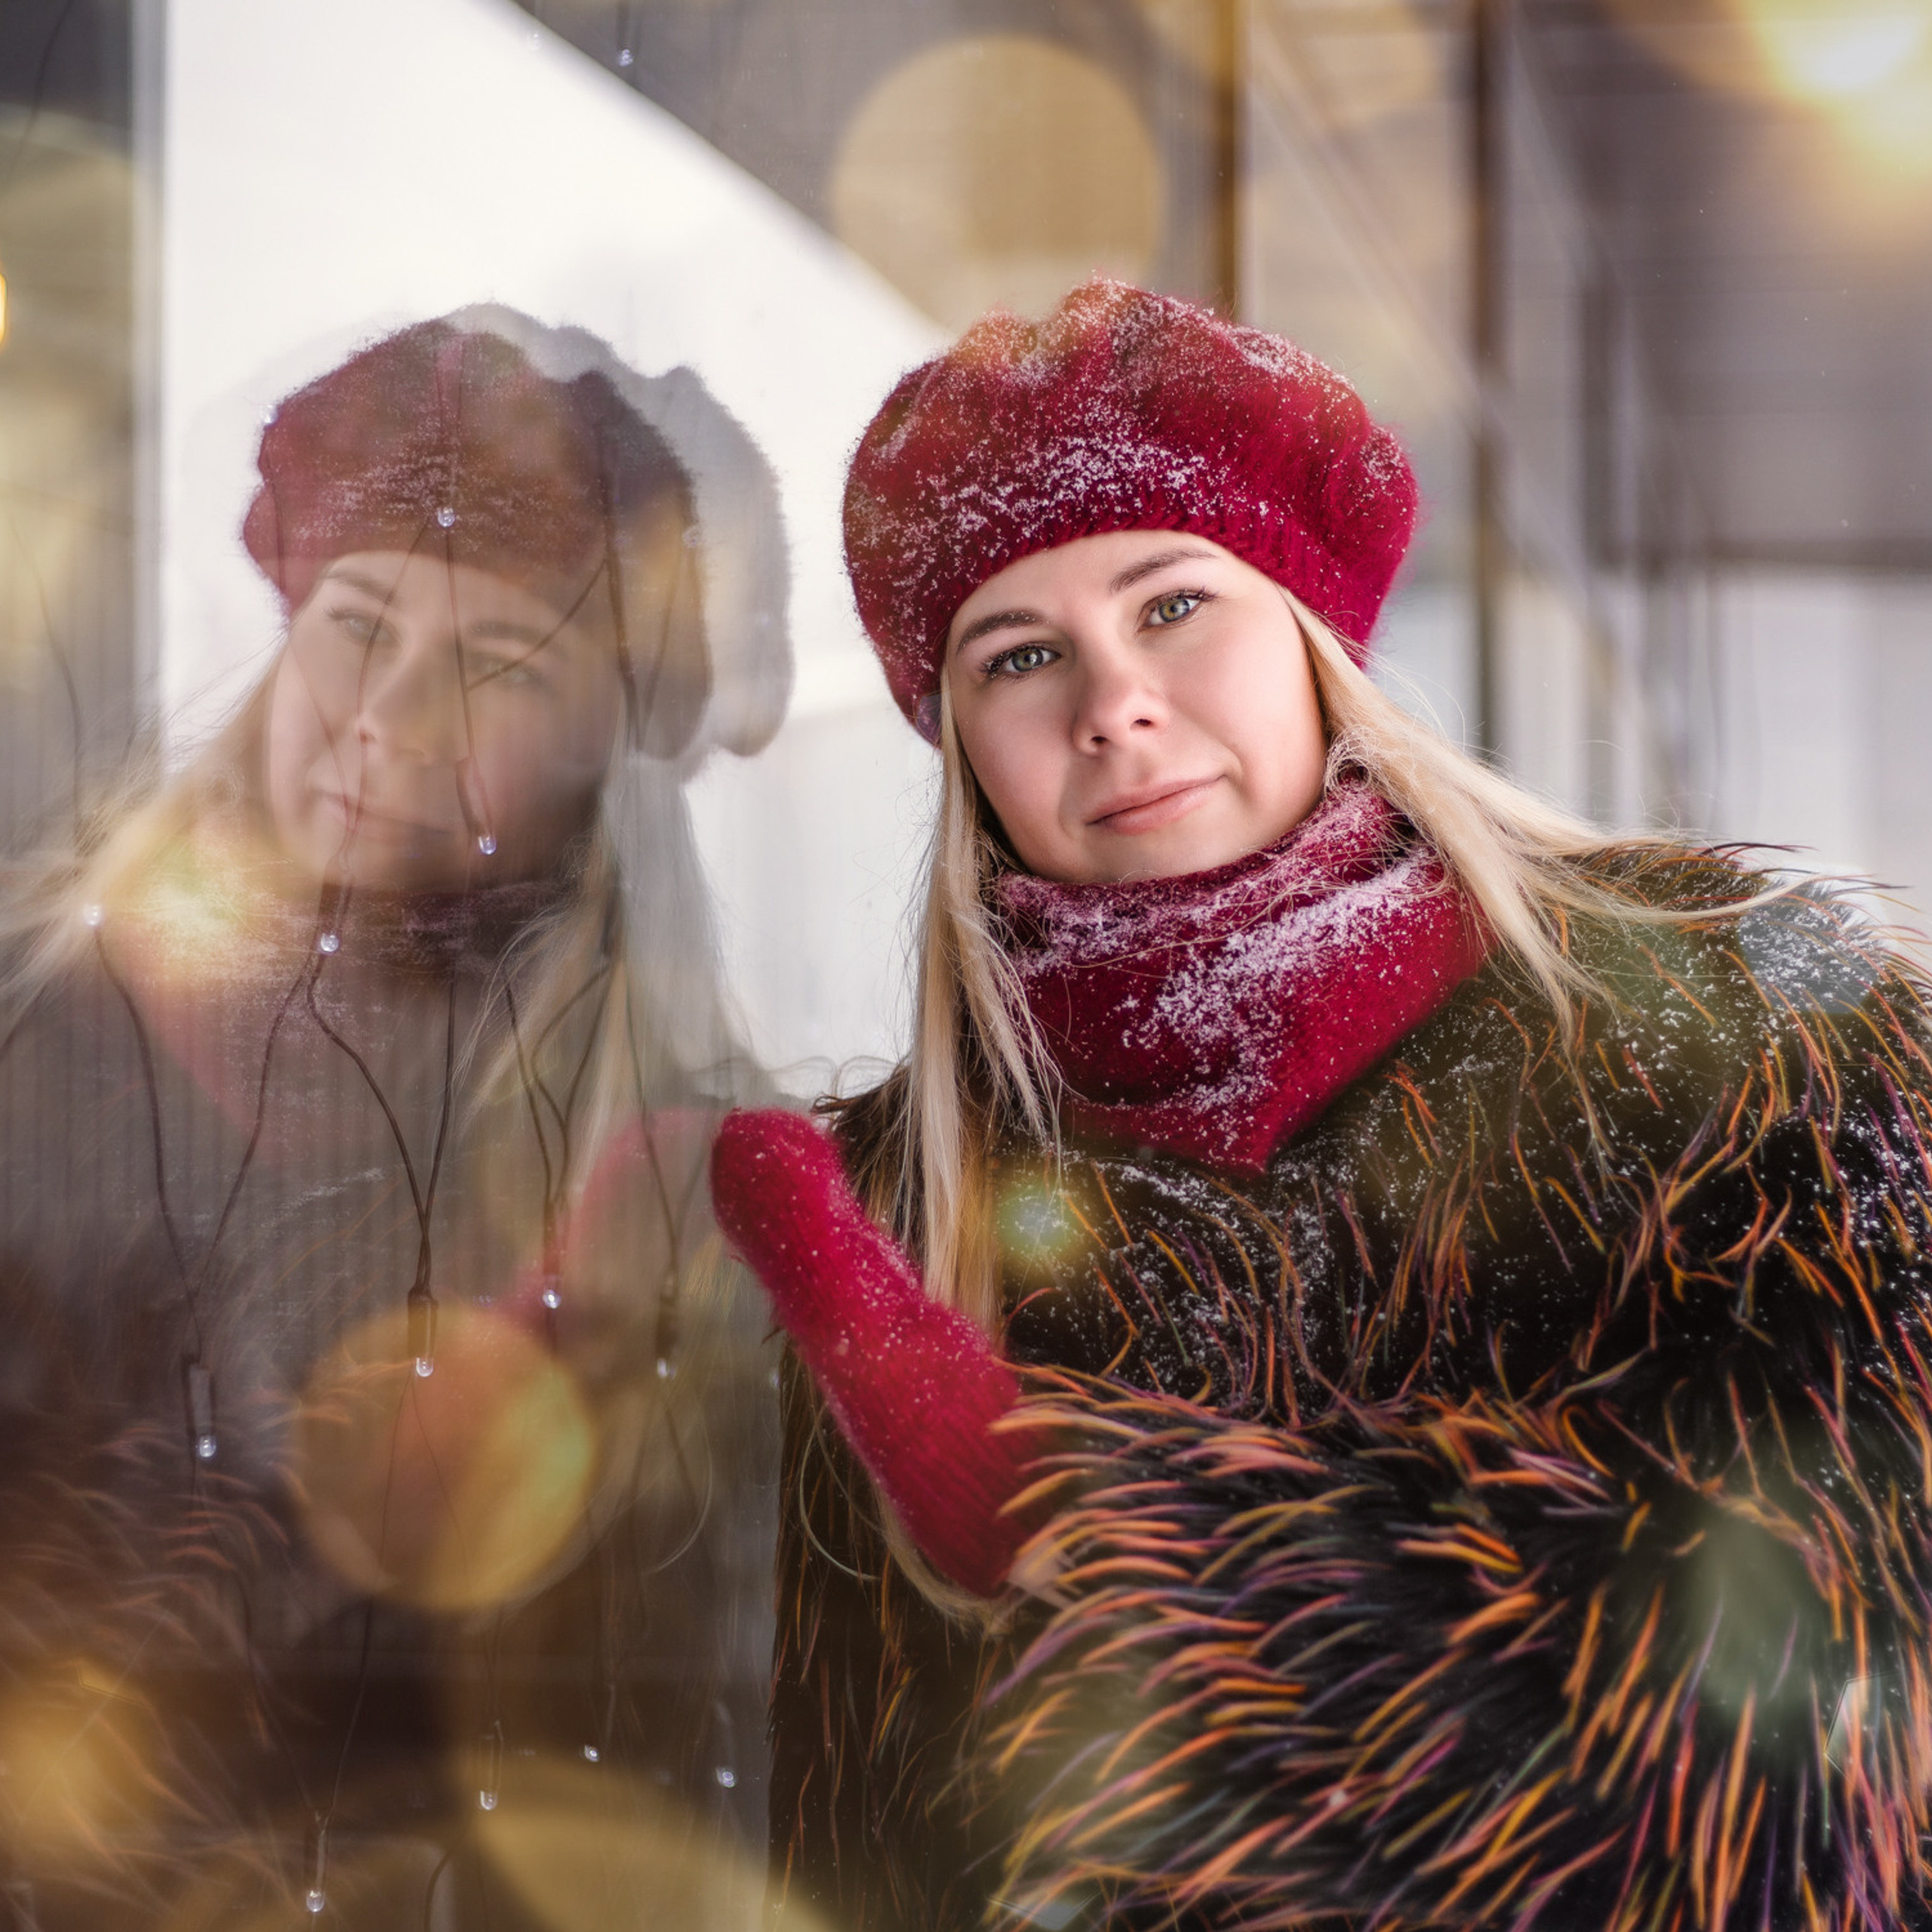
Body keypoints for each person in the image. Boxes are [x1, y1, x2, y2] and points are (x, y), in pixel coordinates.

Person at [712, 278, 1932, 1931]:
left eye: (1168, 605)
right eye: (1019, 653)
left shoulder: (1739, 1013)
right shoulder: (902, 1196)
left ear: (1303, 628)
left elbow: (1828, 1659)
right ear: (964, 748)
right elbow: (864, 1836)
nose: (1111, 701)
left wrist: (1120, 1535)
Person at [0, 309, 788, 1927]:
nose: (392, 713)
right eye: (357, 623)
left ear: (599, 748)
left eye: (498, 660)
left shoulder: (678, 1165)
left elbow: (694, 1736)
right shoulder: (32, 1052)